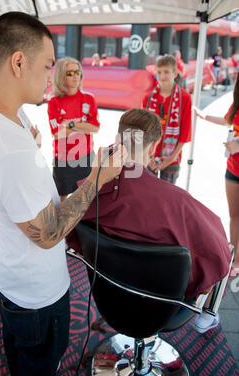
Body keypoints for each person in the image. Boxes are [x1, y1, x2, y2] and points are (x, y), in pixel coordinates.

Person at [0, 11, 126, 376]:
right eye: (48, 65)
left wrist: (30, 146)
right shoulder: (10, 149)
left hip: (6, 273)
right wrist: (96, 178)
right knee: (38, 366)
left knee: (20, 357)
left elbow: (9, 177)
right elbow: (49, 234)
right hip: (36, 293)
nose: (53, 77)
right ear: (18, 62)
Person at [67, 108, 232, 333]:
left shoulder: (89, 192)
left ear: (117, 140)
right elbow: (218, 252)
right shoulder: (178, 203)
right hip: (163, 304)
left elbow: (72, 236)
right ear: (154, 146)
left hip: (108, 297)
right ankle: (208, 317)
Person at [194, 73, 239, 278]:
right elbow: (226, 120)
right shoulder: (236, 105)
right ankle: (233, 256)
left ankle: (237, 260)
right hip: (232, 168)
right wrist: (203, 116)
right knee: (234, 215)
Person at [47, 57, 100, 200]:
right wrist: (83, 126)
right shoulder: (54, 102)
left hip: (87, 157)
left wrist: (69, 124)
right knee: (60, 201)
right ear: (60, 76)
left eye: (77, 72)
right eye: (69, 73)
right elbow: (57, 133)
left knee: (88, 200)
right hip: (63, 160)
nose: (75, 76)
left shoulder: (89, 99)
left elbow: (95, 128)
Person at [142, 54, 192, 184]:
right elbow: (141, 129)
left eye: (166, 72)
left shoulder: (184, 98)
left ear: (175, 73)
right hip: (148, 157)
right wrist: (146, 157)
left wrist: (171, 158)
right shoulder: (148, 99)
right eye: (159, 72)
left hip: (171, 157)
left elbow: (185, 133)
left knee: (166, 200)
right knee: (148, 197)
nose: (162, 76)